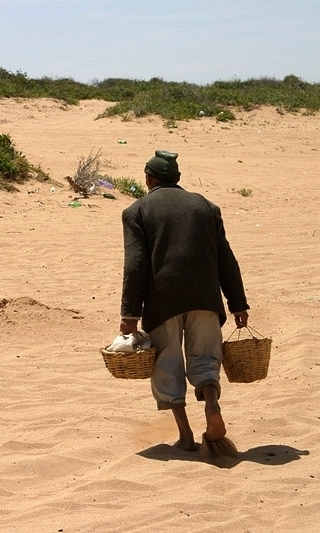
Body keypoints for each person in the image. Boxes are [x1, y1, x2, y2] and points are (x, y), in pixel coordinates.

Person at [119, 150, 250, 453]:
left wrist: (130, 314)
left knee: (168, 363)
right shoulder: (206, 206)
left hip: (163, 300)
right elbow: (226, 259)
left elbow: (136, 264)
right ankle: (212, 405)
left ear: (148, 178)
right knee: (205, 358)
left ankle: (186, 436)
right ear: (176, 179)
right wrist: (238, 303)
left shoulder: (137, 211)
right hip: (206, 296)